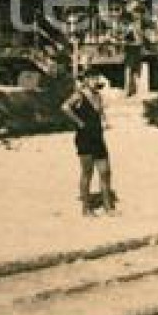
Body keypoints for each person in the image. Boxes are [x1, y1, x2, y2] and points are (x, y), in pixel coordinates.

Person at [61, 77, 116, 217]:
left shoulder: (98, 95)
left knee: (105, 172)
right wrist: (79, 122)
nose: (95, 81)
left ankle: (108, 207)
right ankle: (86, 209)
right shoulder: (79, 95)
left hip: (98, 137)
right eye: (92, 79)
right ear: (86, 81)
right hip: (84, 138)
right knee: (87, 173)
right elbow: (65, 107)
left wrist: (104, 121)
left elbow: (101, 112)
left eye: (96, 79)